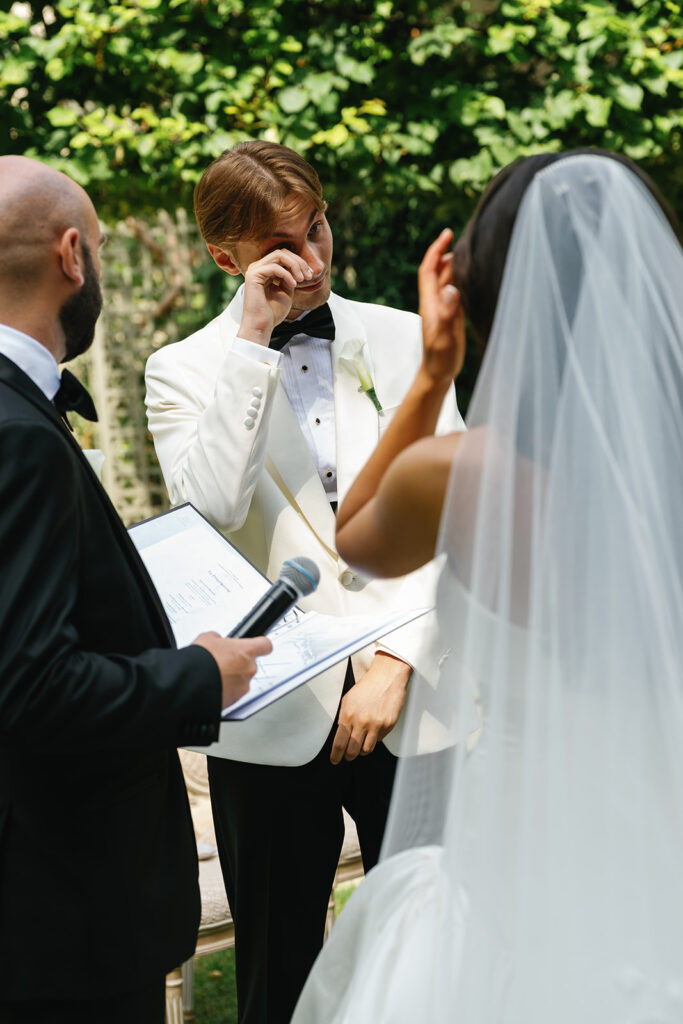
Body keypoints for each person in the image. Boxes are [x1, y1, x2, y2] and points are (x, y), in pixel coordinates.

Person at [291, 150, 683, 1023]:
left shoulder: (460, 474)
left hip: (520, 852)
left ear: (484, 291)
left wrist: (432, 371)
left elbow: (357, 540)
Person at [144, 140, 465, 1023]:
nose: (313, 260)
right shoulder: (179, 370)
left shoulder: (404, 337)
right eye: (284, 246)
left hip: (415, 702)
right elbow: (208, 506)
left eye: (317, 228)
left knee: (445, 960)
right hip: (271, 719)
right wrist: (251, 345)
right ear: (227, 258)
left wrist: (399, 657)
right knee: (278, 976)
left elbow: (454, 513)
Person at [0, 155, 272, 1024]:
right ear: (73, 257)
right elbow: (31, 684)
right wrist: (199, 673)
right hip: (57, 918)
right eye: (107, 251)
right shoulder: (20, 438)